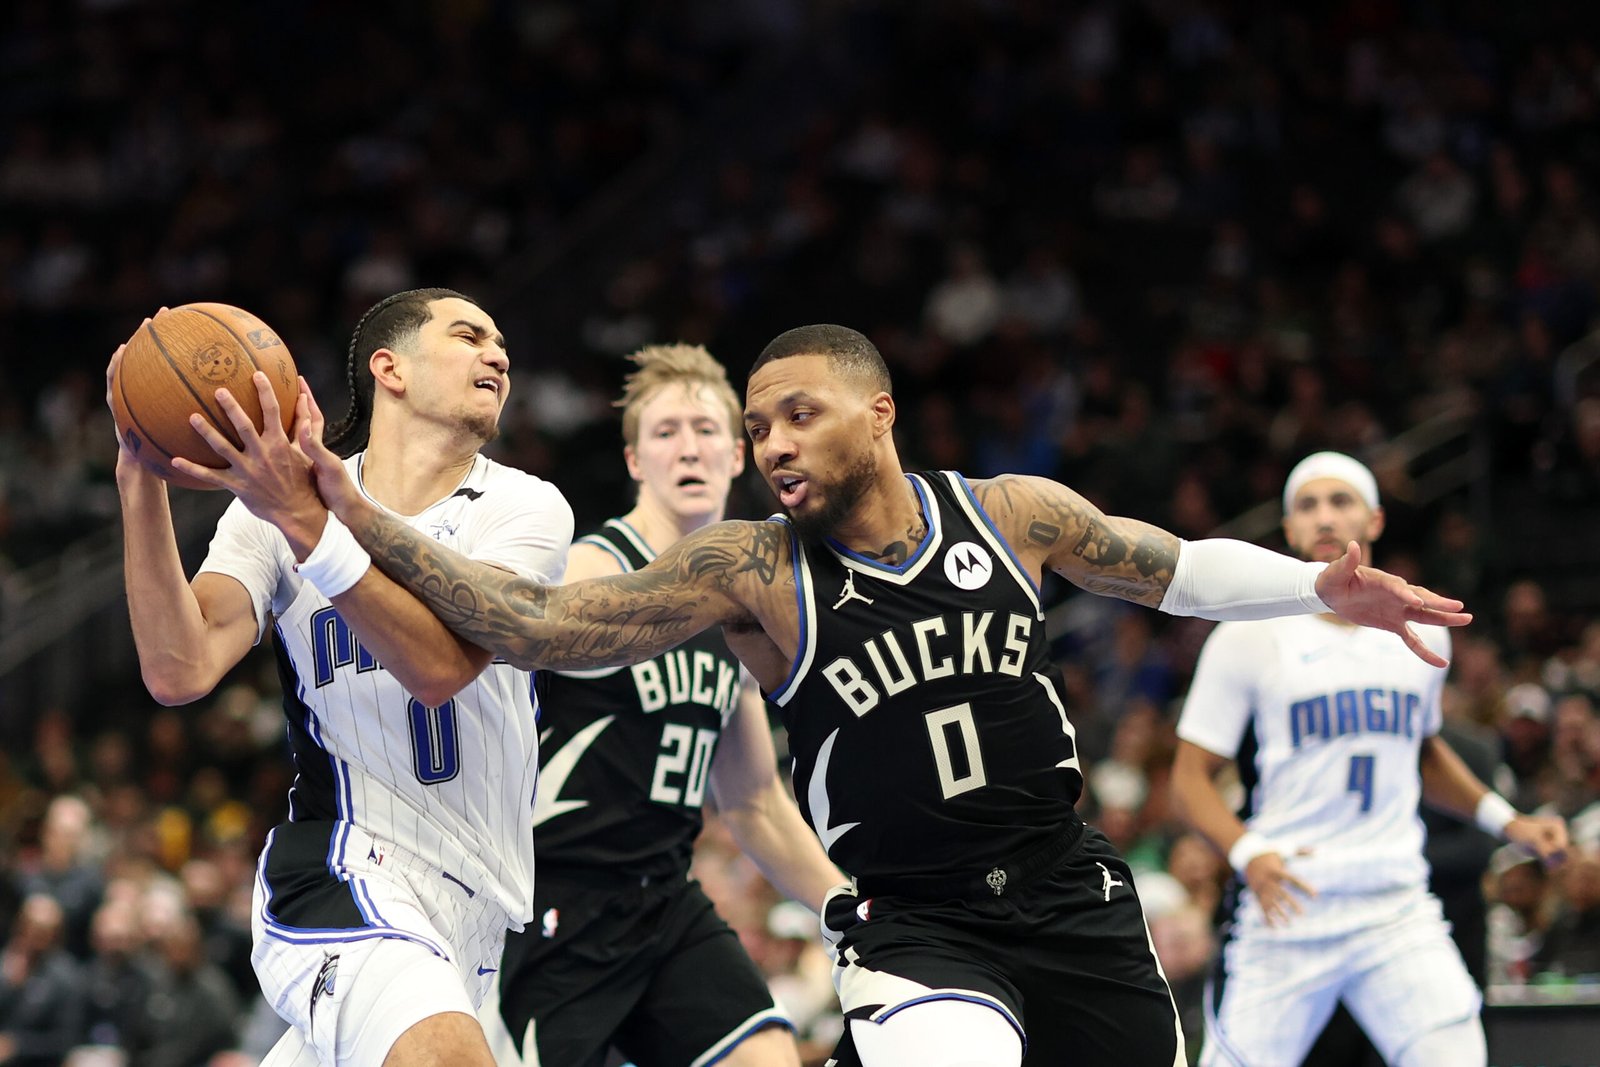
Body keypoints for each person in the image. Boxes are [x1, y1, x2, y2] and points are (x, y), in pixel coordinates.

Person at [239, 324, 1471, 1067]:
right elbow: (540, 626)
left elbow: (1180, 570)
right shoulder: (753, 570)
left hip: (1069, 892)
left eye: (795, 415)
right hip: (915, 922)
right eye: (755, 425)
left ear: (876, 414)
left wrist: (1323, 586)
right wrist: (351, 515)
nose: (767, 443)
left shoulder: (1009, 513)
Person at [112, 288, 572, 1067]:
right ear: (389, 368)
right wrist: (139, 477)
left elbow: (440, 664)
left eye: (501, 342)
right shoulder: (269, 511)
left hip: (477, 907)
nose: (498, 353)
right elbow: (178, 666)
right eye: (469, 335)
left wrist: (311, 523)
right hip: (345, 867)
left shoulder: (524, 508)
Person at [487, 345, 841, 1067]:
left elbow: (753, 802)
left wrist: (846, 904)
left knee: (770, 1056)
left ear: (738, 455)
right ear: (634, 461)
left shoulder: (743, 599)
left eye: (706, 429)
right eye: (667, 431)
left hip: (664, 901)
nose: (689, 446)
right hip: (553, 903)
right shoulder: (589, 569)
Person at [1169, 451, 1569, 1067]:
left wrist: (1507, 821)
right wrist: (1248, 853)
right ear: (1289, 529)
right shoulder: (1247, 633)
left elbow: (1422, 750)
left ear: (1376, 520)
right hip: (1292, 903)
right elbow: (1188, 778)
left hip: (1394, 904)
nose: (1325, 517)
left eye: (1341, 501)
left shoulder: (1421, 627)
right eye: (1308, 505)